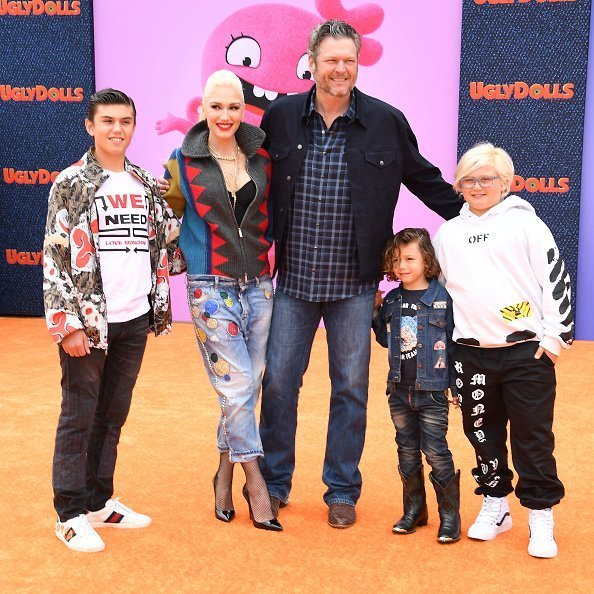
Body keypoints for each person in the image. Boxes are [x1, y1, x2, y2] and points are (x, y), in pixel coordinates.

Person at [258, 19, 462, 528]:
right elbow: (239, 172)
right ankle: (275, 484)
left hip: (355, 286)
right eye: (331, 60)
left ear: (358, 61)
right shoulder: (280, 117)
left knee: (349, 388)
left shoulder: (386, 122)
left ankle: (342, 491)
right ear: (312, 61)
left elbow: (422, 177)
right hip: (294, 285)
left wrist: (478, 215)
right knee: (280, 385)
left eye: (349, 59)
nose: (340, 68)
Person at [43, 89, 182, 553]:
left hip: (134, 318)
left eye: (125, 121)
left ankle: (99, 502)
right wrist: (68, 324)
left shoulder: (144, 183)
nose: (117, 129)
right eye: (107, 121)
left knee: (112, 415)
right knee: (79, 414)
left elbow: (167, 241)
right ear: (90, 126)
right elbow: (55, 259)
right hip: (89, 322)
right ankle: (69, 512)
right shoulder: (71, 183)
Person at [433, 142, 573, 558]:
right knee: (481, 435)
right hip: (469, 355)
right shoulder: (447, 234)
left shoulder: (527, 226)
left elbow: (556, 281)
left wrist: (552, 340)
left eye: (487, 178)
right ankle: (496, 505)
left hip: (525, 355)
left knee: (532, 437)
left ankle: (540, 514)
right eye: (469, 179)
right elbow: (438, 292)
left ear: (507, 183)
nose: (478, 186)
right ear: (458, 185)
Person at [163, 70, 282, 531]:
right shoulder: (181, 162)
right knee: (236, 388)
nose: (225, 115)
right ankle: (256, 483)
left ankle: (223, 472)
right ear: (202, 110)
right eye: (216, 107)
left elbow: (273, 216)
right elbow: (165, 216)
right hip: (210, 288)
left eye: (233, 107)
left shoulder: (263, 156)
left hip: (259, 285)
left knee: (245, 389)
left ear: (243, 110)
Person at [372, 228, 460, 543]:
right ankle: (414, 511)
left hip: (433, 391)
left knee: (436, 451)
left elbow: (452, 345)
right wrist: (375, 313)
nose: (402, 266)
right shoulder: (393, 300)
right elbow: (386, 341)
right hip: (398, 390)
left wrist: (455, 385)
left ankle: (449, 517)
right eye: (396, 260)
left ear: (427, 260)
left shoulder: (442, 300)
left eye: (409, 258)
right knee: (406, 451)